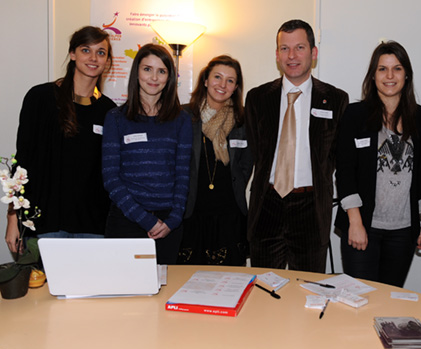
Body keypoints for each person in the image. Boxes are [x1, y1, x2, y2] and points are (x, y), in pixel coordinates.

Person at [245, 19, 349, 273]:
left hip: (310, 209)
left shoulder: (335, 100)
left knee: (308, 292)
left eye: (299, 47)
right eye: (284, 48)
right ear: (277, 54)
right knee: (265, 289)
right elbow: (253, 153)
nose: (291, 56)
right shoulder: (257, 98)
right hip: (266, 205)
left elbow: (339, 159)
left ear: (313, 53)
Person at [5, 26, 117, 252]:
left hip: (93, 227)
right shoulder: (40, 98)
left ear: (107, 61)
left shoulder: (109, 111)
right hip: (46, 223)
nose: (94, 58)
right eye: (86, 50)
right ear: (73, 54)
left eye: (101, 52)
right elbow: (22, 161)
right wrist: (12, 217)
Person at [334, 41, 421, 287]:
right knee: (360, 301)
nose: (390, 76)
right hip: (363, 225)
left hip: (403, 230)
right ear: (373, 75)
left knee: (390, 301)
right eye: (382, 69)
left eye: (397, 68)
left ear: (406, 74)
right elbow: (345, 172)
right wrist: (355, 224)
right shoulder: (355, 114)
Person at [102, 44, 192, 264]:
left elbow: (183, 175)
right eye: (147, 69)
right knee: (123, 293)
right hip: (126, 221)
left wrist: (173, 220)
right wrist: (146, 220)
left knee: (162, 294)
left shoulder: (181, 120)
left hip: (168, 227)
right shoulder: (115, 118)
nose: (154, 77)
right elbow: (111, 179)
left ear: (169, 77)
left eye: (161, 71)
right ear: (136, 73)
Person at [177, 55, 252, 266]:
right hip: (191, 215)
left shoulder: (242, 121)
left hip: (229, 216)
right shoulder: (184, 116)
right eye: (217, 77)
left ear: (236, 86)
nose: (222, 85)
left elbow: (246, 164)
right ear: (206, 80)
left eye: (230, 80)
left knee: (228, 284)